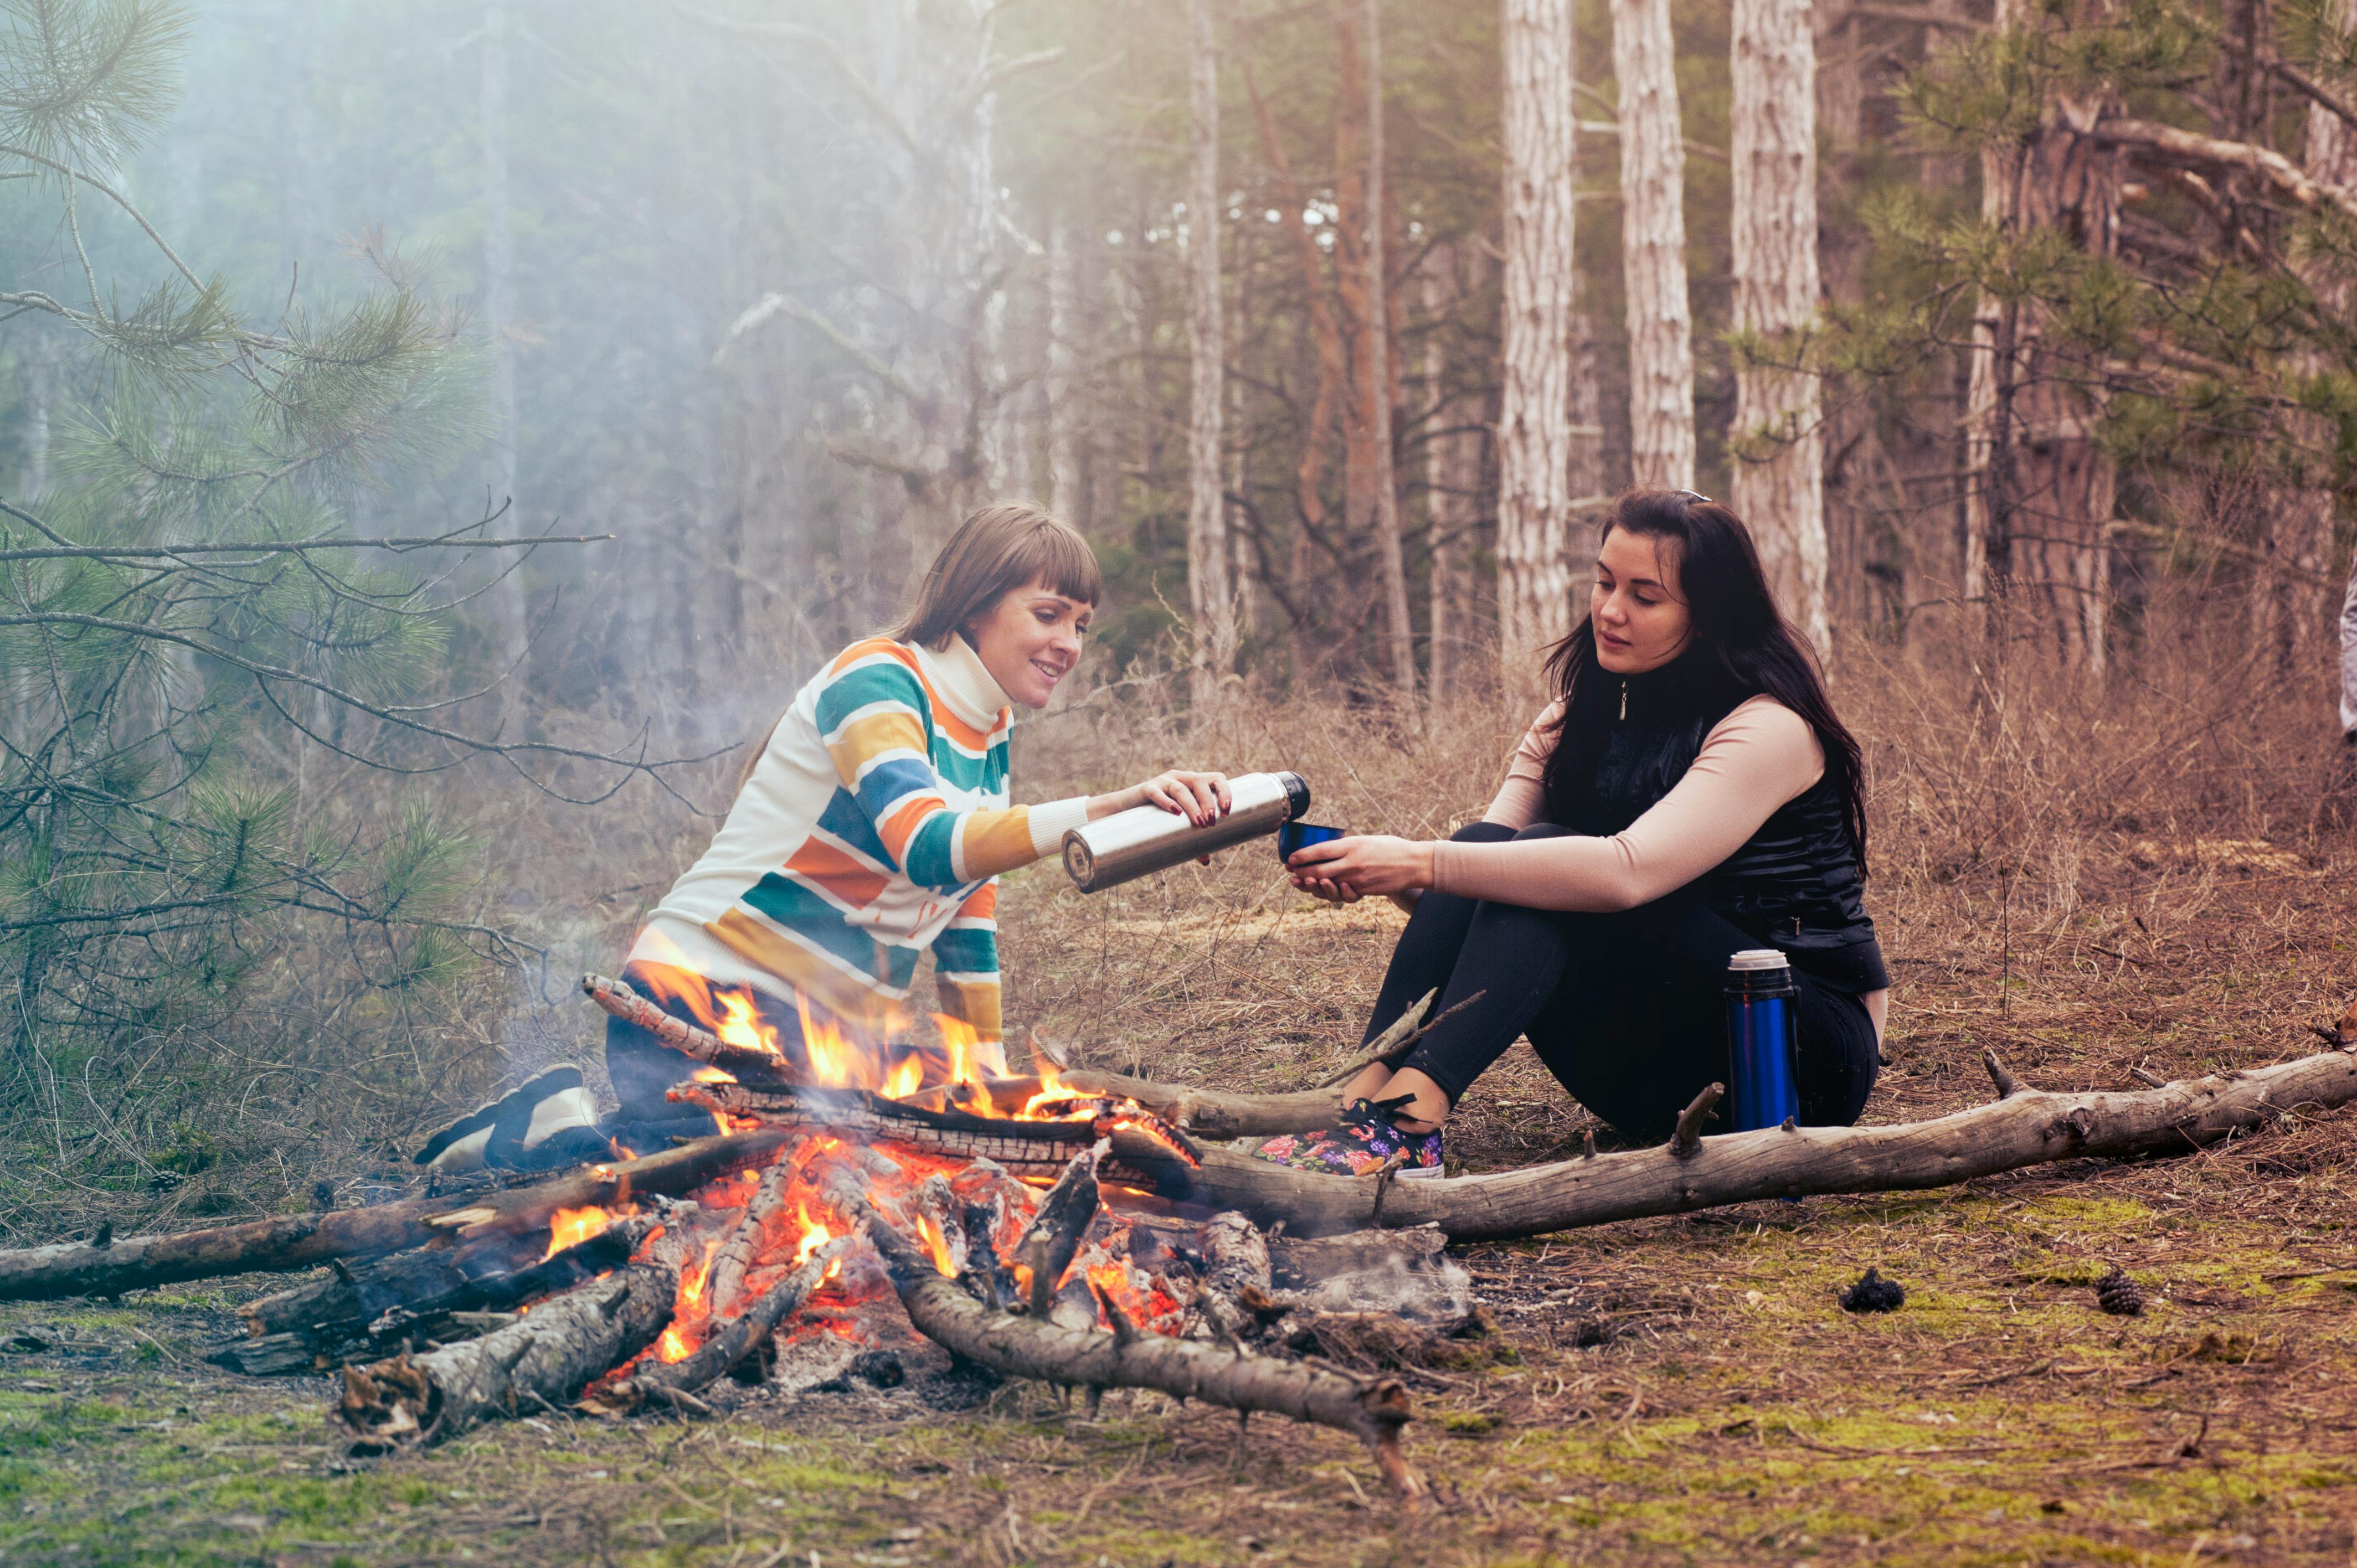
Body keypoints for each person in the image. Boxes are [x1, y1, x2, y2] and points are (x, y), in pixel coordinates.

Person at [418, 503, 1229, 1170]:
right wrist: (1101, 809)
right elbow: (930, 846)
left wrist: (987, 1074)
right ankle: (539, 1130)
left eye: (1082, 625)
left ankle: (575, 1126)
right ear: (977, 605)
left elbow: (966, 905)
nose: (1070, 645)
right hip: (701, 1000)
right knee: (707, 1183)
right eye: (1049, 614)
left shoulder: (991, 728)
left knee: (890, 1169)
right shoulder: (876, 678)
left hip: (822, 1043)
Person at [1254, 489, 1888, 1176]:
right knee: (1486, 847)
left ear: (1708, 616)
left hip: (1792, 1060)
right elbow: (1478, 885)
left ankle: (1408, 1126)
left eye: (1645, 597)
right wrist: (1383, 875)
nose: (1610, 611)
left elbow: (1624, 873)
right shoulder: (1567, 721)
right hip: (1654, 1074)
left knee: (1534, 861)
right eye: (1603, 582)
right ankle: (1351, 1109)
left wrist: (1416, 862)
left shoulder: (1768, 728)